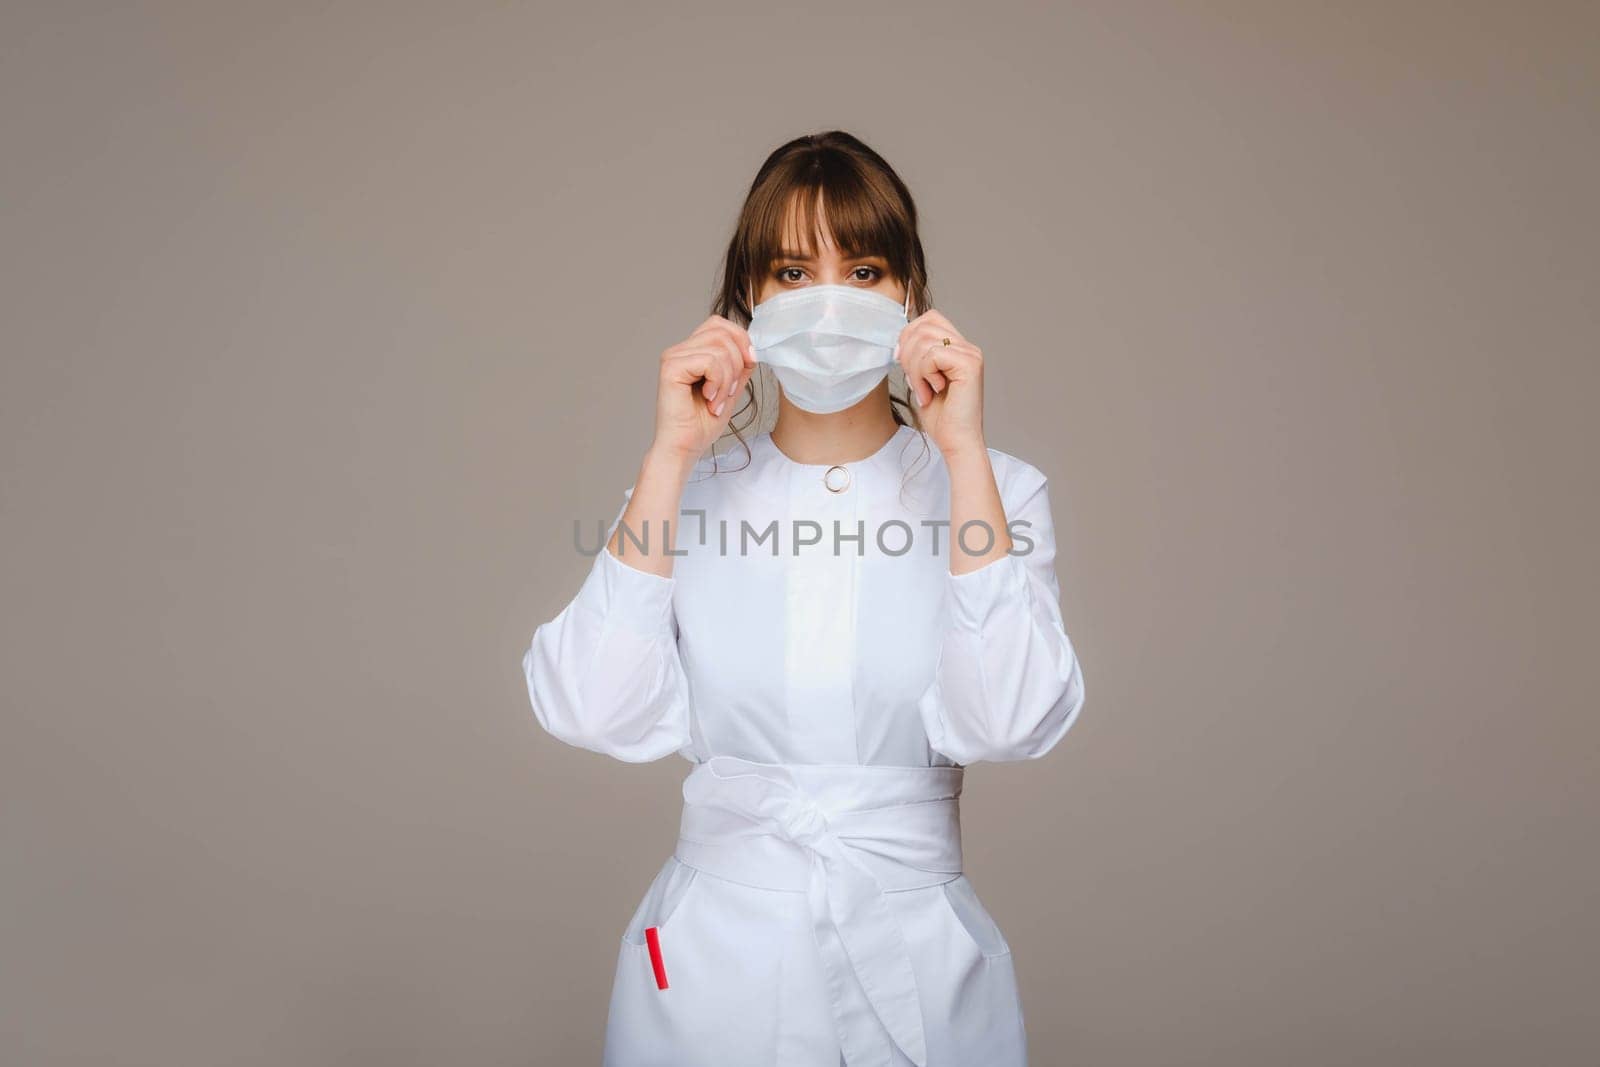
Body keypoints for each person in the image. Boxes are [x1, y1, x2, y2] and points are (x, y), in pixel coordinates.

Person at [523, 130, 1087, 1067]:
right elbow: (590, 705)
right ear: (747, 304)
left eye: (862, 270)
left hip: (919, 960)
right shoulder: (687, 498)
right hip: (712, 971)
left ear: (910, 297)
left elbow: (1008, 718)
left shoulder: (996, 490)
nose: (828, 303)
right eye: (792, 271)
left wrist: (962, 456)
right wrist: (669, 455)